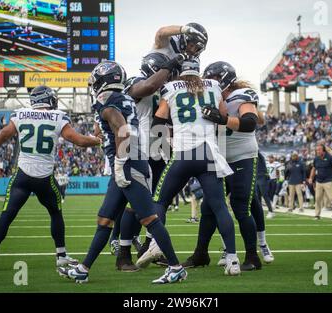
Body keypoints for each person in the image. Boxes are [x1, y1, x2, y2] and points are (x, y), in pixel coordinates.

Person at [58, 61, 187, 284]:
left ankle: (176, 267)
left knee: (150, 219)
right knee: (105, 219)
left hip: (129, 165)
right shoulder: (124, 97)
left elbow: (122, 129)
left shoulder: (107, 100)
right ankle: (84, 268)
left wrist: (119, 162)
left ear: (104, 81)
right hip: (130, 163)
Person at [0, 85, 100, 272]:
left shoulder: (20, 115)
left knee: (7, 215)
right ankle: (61, 255)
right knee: (55, 213)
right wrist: (99, 140)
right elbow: (78, 140)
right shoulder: (58, 117)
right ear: (48, 99)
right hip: (45, 178)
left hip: (22, 176)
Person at [136, 59, 241, 275]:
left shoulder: (171, 88)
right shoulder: (214, 87)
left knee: (160, 201)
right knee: (220, 206)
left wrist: (166, 141)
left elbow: (159, 122)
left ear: (180, 73)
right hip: (209, 154)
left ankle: (156, 243)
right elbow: (223, 117)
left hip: (183, 154)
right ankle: (232, 259)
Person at [179, 60, 263, 271]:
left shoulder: (240, 95)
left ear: (224, 81)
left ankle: (253, 257)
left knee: (240, 207)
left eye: (214, 80)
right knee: (208, 206)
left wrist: (223, 119)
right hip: (219, 157)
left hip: (242, 156)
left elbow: (251, 122)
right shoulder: (210, 96)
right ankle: (200, 254)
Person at [115, 52, 184, 270]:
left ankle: (150, 247)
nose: (170, 77)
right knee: (135, 204)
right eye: (167, 72)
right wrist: (168, 68)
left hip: (160, 150)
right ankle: (123, 253)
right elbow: (146, 88)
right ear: (156, 69)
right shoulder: (136, 82)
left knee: (158, 203)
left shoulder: (164, 88)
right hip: (139, 150)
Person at [308, 144, 332, 220]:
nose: (317, 151)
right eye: (317, 150)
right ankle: (317, 215)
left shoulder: (330, 157)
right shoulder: (316, 158)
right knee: (317, 198)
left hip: (328, 181)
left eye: (319, 150)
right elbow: (313, 169)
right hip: (319, 181)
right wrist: (311, 177)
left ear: (323, 150)